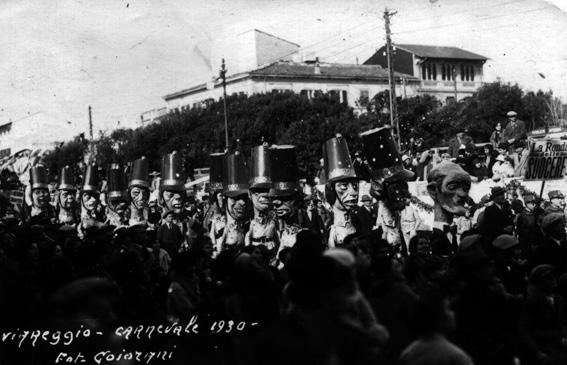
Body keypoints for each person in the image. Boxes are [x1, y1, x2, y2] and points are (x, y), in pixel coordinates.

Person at [400, 291, 474, 365]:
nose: (453, 313)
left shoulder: (408, 353)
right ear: (439, 319)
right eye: (448, 309)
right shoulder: (457, 357)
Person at [426, 161, 472, 256]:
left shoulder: (465, 232)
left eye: (466, 188)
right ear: (433, 190)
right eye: (452, 187)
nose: (462, 194)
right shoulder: (429, 239)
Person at [324, 134, 361, 248]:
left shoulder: (357, 224)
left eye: (354, 186)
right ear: (331, 192)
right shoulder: (333, 232)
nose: (353, 193)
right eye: (344, 186)